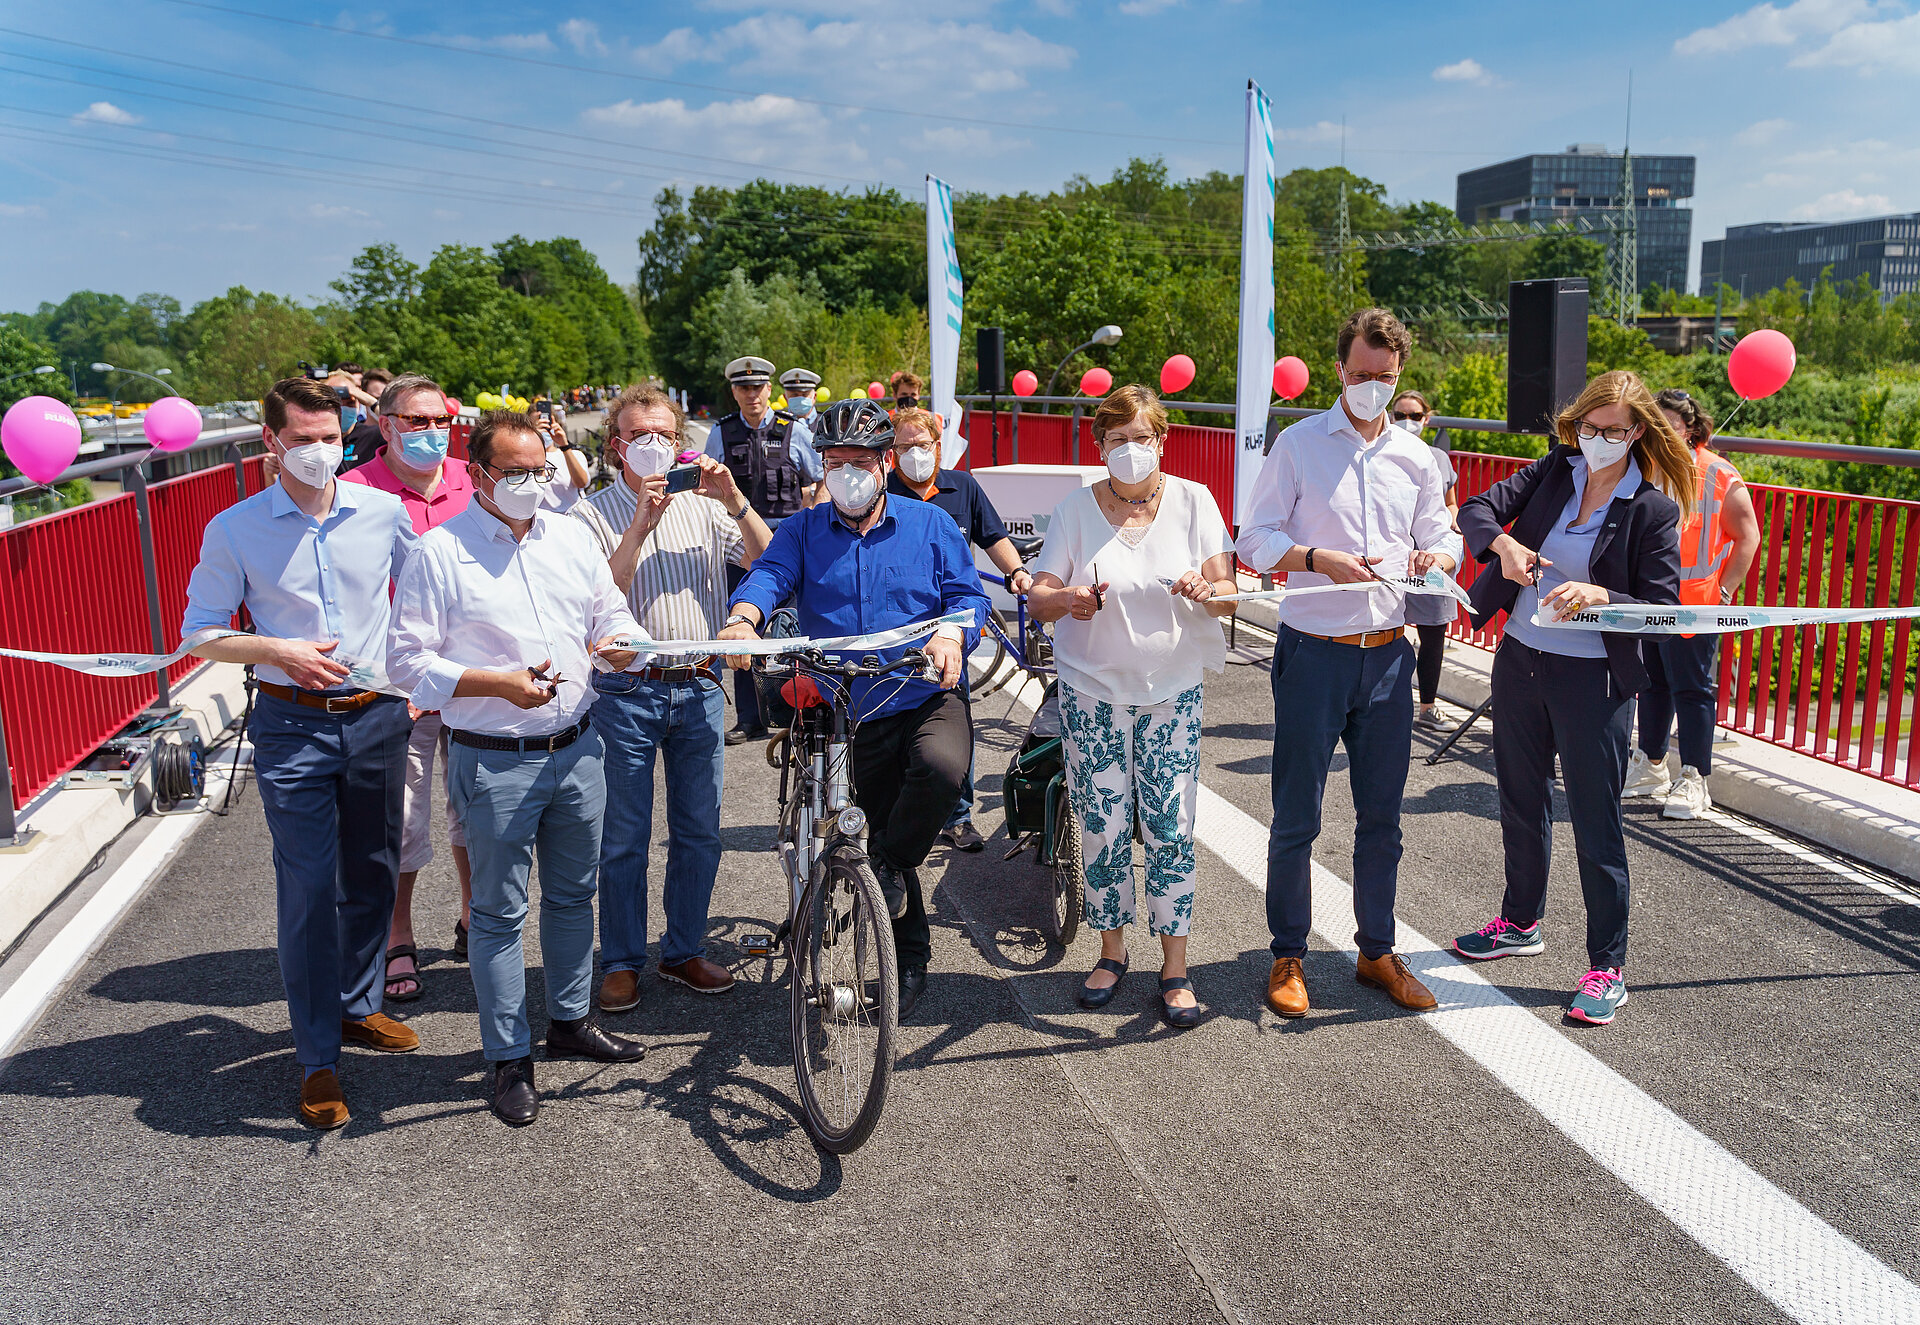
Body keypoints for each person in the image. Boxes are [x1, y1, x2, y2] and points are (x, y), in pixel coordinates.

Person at [388, 409, 648, 1127]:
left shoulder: (570, 536)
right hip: (495, 756)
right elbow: (406, 664)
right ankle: (507, 1057)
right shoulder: (439, 553)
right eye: (516, 473)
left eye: (542, 470)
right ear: (478, 474)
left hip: (577, 745)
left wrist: (622, 643)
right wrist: (495, 682)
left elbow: (609, 614)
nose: (533, 484)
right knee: (500, 914)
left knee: (573, 896)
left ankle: (569, 1019)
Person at [182, 376, 420, 1130]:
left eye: (332, 438)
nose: (321, 452)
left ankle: (358, 1004)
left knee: (376, 870)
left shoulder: (383, 512)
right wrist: (275, 648)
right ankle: (318, 1056)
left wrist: (418, 678)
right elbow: (203, 632)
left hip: (378, 715)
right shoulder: (236, 527)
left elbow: (426, 598)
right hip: (292, 725)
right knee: (310, 888)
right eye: (306, 439)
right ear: (271, 442)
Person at [719, 399, 989, 1020]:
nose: (849, 473)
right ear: (823, 467)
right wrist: (743, 618)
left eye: (861, 462)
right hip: (846, 706)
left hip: (921, 691)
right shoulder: (802, 530)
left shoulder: (931, 527)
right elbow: (768, 577)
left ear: (886, 463)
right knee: (873, 822)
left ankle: (889, 869)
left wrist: (952, 635)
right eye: (836, 462)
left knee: (940, 778)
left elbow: (968, 597)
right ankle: (910, 956)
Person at [1234, 308, 1462, 1021]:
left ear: (1400, 379)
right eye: (1361, 375)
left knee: (1382, 819)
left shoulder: (1416, 458)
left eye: (1385, 379)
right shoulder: (1299, 446)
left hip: (1389, 657)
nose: (1371, 388)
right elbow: (1253, 537)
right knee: (1296, 814)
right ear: (1340, 369)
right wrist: (1312, 559)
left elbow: (1443, 534)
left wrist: (1440, 557)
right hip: (1313, 653)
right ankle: (1288, 952)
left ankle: (1376, 951)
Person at [1451, 370, 1691, 1026]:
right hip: (1522, 662)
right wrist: (1502, 544)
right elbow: (1476, 509)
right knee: (1520, 802)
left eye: (1614, 431)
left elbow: (1663, 610)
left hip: (1596, 684)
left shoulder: (1653, 509)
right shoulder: (1555, 470)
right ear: (1575, 425)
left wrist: (1604, 597)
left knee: (1595, 822)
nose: (1599, 440)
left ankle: (1606, 965)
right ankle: (1519, 921)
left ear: (1637, 432)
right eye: (1590, 428)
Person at [1027, 385, 1235, 1029]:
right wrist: (1071, 601)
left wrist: (1209, 589)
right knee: (1103, 826)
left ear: (1162, 439)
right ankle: (1111, 951)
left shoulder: (1195, 502)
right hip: (1092, 692)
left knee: (1171, 827)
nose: (1130, 450)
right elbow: (1039, 595)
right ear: (1100, 447)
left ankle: (1174, 966)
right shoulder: (1075, 510)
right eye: (1117, 440)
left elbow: (1229, 591)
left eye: (1141, 437)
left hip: (1171, 691)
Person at [572, 384, 773, 1013]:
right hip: (624, 690)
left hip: (699, 685)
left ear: (682, 443)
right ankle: (622, 960)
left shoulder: (707, 506)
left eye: (665, 434)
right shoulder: (587, 514)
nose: (653, 444)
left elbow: (772, 561)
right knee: (624, 835)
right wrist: (638, 525)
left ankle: (683, 948)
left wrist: (735, 500)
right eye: (639, 435)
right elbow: (598, 597)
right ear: (616, 446)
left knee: (698, 831)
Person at [338, 372, 474, 1004]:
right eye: (416, 422)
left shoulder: (475, 484)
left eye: (439, 421)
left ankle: (477, 917)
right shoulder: (353, 493)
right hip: (398, 680)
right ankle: (399, 936)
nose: (430, 433)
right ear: (385, 426)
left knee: (477, 802)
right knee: (405, 812)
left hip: (474, 671)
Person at [887, 406, 1030, 852]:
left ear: (938, 447)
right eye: (905, 447)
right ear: (891, 453)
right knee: (890, 723)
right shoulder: (879, 492)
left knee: (953, 722)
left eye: (922, 446)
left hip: (951, 627)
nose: (915, 454)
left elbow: (994, 538)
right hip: (894, 625)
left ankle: (957, 817)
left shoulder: (963, 487)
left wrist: (1018, 574)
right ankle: (898, 814)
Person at [1623, 389, 1760, 820]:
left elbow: (1747, 536)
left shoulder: (1716, 472)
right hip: (1653, 599)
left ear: (1691, 429)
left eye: (1671, 426)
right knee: (1654, 683)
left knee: (1692, 689)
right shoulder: (1647, 468)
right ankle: (1652, 763)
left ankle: (1696, 778)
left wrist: (1724, 593)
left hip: (1696, 604)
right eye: (1656, 425)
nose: (1663, 433)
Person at [706, 356, 824, 745]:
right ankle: (750, 719)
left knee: (795, 627)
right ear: (734, 392)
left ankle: (800, 712)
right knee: (741, 627)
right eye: (744, 388)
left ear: (769, 390)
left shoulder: (794, 430)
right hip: (739, 545)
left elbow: (820, 478)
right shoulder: (720, 433)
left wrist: (816, 523)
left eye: (758, 387)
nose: (751, 394)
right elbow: (708, 491)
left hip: (789, 543)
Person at [1389, 390, 1462, 728]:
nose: (1408, 421)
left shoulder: (1439, 457)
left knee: (1434, 631)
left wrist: (1453, 529)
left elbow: (1450, 503)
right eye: (1401, 414)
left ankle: (1427, 706)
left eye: (1415, 416)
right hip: (1396, 558)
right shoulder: (1382, 453)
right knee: (1391, 630)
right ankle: (1391, 702)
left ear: (1427, 418)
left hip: (1433, 559)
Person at [339, 367, 392, 473]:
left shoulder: (381, 435)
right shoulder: (318, 437)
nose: (381, 404)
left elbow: (400, 428)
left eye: (350, 403)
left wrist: (373, 403)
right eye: (376, 399)